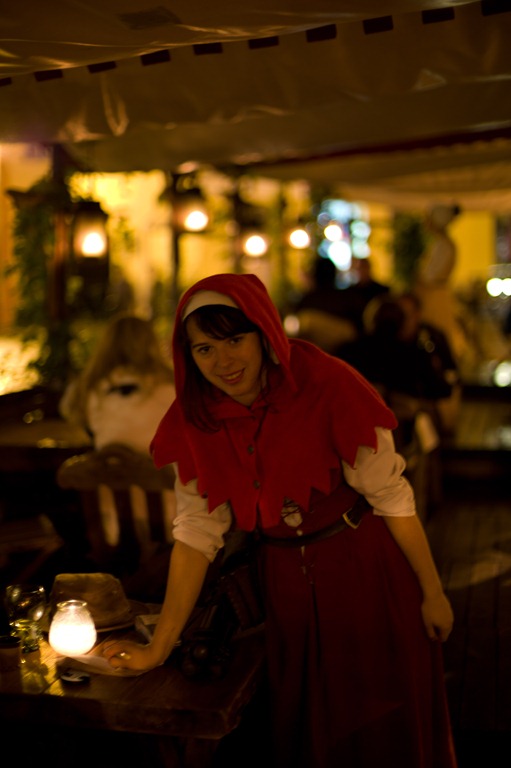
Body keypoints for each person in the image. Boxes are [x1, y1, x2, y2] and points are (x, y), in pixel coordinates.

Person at [103, 273, 457, 768]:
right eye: (204, 349)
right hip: (283, 583)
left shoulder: (329, 383)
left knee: (377, 721)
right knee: (308, 725)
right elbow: (197, 534)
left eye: (235, 340)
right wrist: (159, 646)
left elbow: (393, 499)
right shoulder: (196, 417)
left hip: (365, 572)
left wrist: (432, 592)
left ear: (265, 332)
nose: (223, 361)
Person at [59, 314, 176, 454]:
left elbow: (69, 411)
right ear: (152, 343)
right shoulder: (170, 383)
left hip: (109, 462)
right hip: (157, 463)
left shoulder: (90, 385)